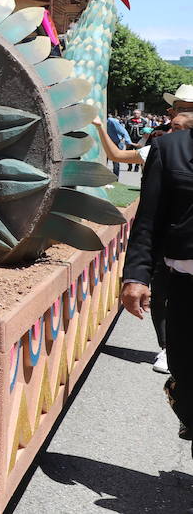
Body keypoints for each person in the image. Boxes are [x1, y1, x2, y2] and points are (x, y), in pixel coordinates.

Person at [123, 111, 193, 453]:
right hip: (186, 289)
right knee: (187, 381)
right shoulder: (169, 149)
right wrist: (137, 274)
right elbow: (148, 220)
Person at [105, 109, 132, 175]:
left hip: (115, 143)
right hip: (104, 143)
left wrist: (128, 142)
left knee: (115, 161)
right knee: (104, 161)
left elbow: (123, 131)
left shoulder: (112, 121)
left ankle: (115, 177)